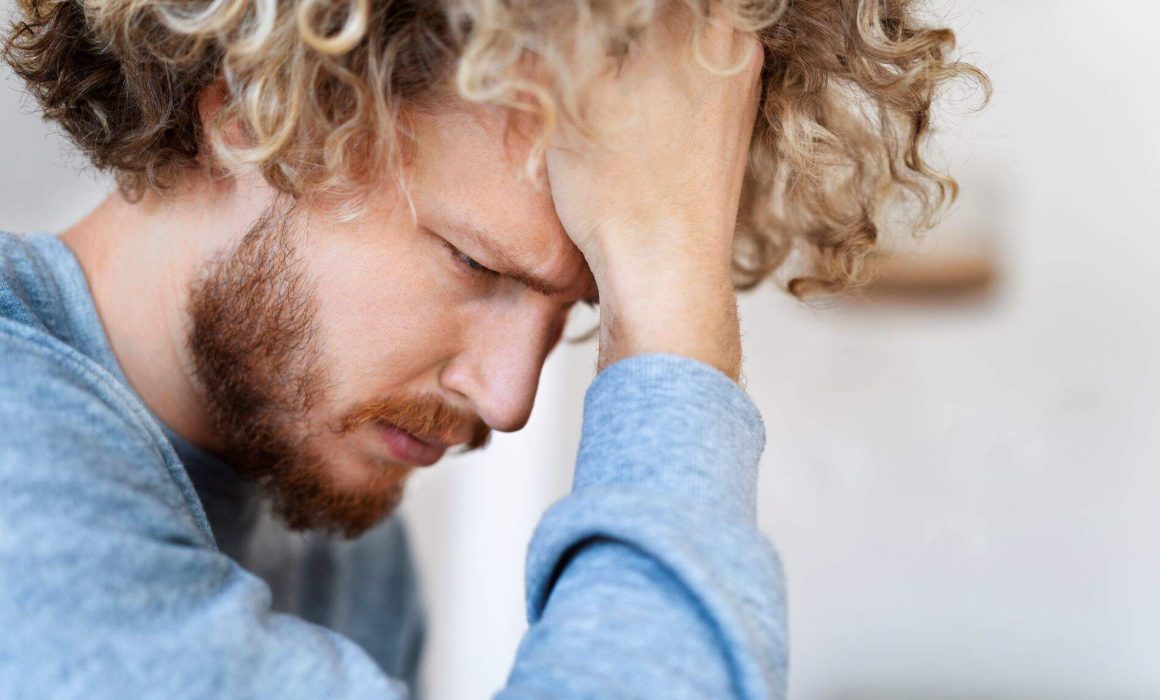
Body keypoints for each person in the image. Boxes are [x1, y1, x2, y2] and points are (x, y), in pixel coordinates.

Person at [0, 0, 983, 697]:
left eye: (575, 309)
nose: (509, 397)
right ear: (258, 111)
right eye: (477, 264)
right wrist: (675, 329)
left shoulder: (342, 530)